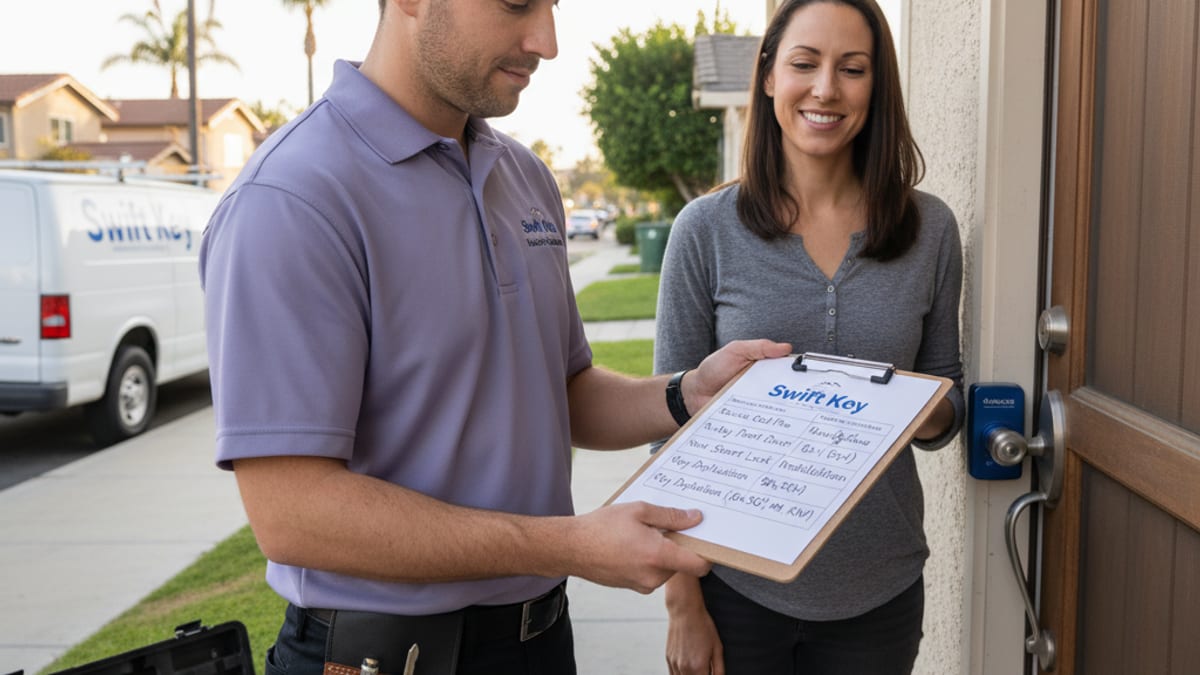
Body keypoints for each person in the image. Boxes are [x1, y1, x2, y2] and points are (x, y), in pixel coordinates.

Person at [197, 1, 792, 674]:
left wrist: (688, 393)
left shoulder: (525, 176)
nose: (547, 41)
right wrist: (568, 544)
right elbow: (293, 513)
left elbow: (562, 390)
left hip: (540, 640)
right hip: (385, 657)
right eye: (516, 3)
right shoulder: (292, 197)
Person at [654, 1, 964, 674]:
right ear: (769, 76)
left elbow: (947, 405)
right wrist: (683, 602)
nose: (826, 89)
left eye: (852, 69)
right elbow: (668, 433)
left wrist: (909, 405)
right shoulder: (704, 231)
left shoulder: (931, 230)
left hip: (879, 590)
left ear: (876, 86)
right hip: (733, 588)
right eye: (804, 64)